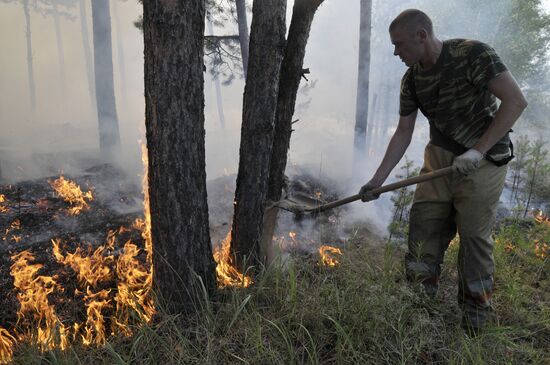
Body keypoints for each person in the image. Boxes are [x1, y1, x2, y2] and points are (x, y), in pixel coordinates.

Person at [359, 9, 528, 334]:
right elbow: (403, 132)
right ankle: (418, 307)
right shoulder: (411, 80)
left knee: (474, 239)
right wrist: (378, 180)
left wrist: (477, 151)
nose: (396, 53)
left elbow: (515, 101)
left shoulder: (473, 54)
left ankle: (475, 320)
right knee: (424, 226)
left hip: (485, 157)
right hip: (439, 156)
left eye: (400, 45)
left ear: (421, 36)